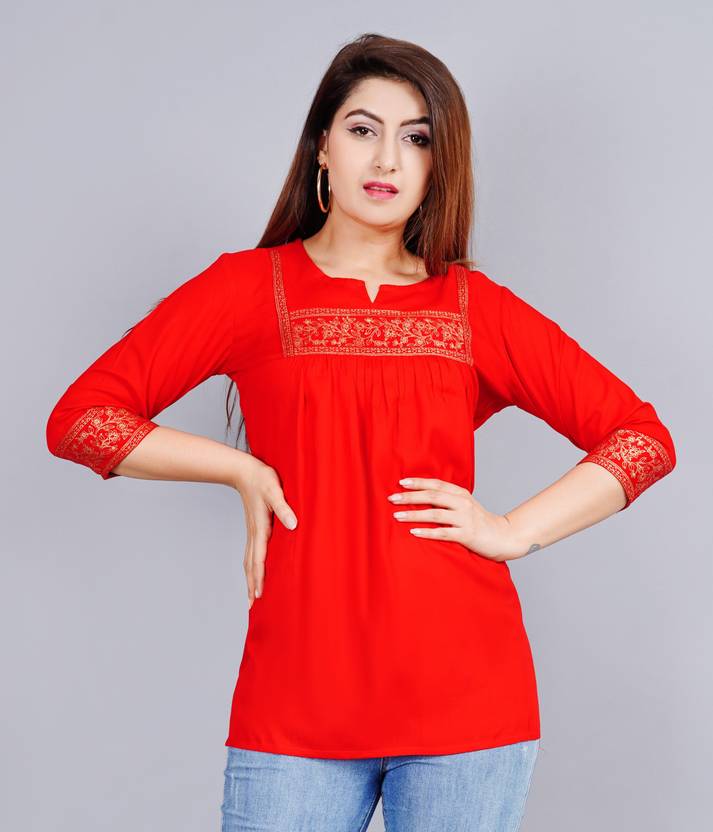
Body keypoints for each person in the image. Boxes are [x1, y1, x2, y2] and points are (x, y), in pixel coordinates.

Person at [45, 32, 676, 832]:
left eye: (416, 138)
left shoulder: (472, 308)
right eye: (362, 129)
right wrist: (239, 470)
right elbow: (81, 420)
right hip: (296, 703)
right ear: (322, 148)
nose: (386, 159)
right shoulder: (246, 289)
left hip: (467, 703)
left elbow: (639, 439)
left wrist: (513, 531)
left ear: (438, 165)